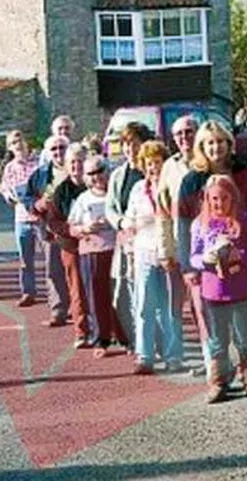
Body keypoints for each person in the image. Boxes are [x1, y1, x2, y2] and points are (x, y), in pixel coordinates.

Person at [174, 121, 247, 381]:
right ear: (201, 147)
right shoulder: (192, 181)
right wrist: (188, 266)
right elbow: (183, 225)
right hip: (205, 265)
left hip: (240, 260)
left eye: (220, 141)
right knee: (212, 323)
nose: (215, 147)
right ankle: (218, 377)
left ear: (228, 143)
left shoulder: (243, 171)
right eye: (209, 142)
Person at [191, 175, 247, 403]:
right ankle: (219, 382)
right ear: (207, 200)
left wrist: (237, 255)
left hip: (240, 290)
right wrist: (205, 259)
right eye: (213, 198)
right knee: (217, 341)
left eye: (224, 198)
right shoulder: (200, 224)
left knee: (244, 338)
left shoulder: (242, 220)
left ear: (233, 198)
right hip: (213, 291)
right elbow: (193, 256)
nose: (218, 203)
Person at [124, 140, 184, 374]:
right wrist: (130, 224)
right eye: (148, 164)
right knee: (144, 305)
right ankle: (145, 355)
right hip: (144, 251)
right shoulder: (138, 189)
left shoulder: (172, 185)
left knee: (170, 308)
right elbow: (129, 217)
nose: (153, 168)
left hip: (170, 252)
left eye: (157, 163)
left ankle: (173, 355)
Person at [68, 155, 127, 357]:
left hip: (117, 251)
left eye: (100, 170)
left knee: (121, 297)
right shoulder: (83, 199)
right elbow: (71, 227)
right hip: (92, 253)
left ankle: (126, 338)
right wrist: (86, 228)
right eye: (91, 173)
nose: (96, 177)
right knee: (96, 298)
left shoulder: (116, 194)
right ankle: (101, 340)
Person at [157, 115, 202, 373]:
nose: (185, 138)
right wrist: (165, 250)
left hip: (204, 244)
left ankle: (212, 358)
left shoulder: (205, 161)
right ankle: (176, 355)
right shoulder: (169, 167)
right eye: (179, 134)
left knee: (203, 305)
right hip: (178, 244)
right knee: (175, 305)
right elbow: (162, 212)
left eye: (189, 131)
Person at [106, 123, 154, 353]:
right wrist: (122, 223)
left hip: (149, 240)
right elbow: (110, 208)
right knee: (123, 292)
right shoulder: (117, 175)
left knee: (149, 293)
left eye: (134, 143)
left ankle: (153, 342)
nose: (130, 149)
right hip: (126, 240)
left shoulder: (152, 171)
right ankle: (133, 339)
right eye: (126, 144)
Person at [38, 144, 91, 348]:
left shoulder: (96, 183)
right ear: (67, 166)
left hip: (98, 245)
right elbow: (53, 222)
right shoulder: (61, 190)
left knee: (100, 287)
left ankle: (105, 330)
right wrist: (72, 231)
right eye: (73, 162)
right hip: (72, 247)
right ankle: (81, 332)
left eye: (80, 161)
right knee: (77, 289)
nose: (77, 166)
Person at [24, 135, 72, 325]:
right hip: (50, 228)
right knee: (53, 269)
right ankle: (59, 309)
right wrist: (36, 204)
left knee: (76, 269)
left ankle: (80, 308)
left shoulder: (76, 169)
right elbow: (26, 197)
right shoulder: (41, 173)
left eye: (62, 147)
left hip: (74, 227)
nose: (58, 152)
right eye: (54, 149)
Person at [2, 130, 43, 307]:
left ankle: (57, 293)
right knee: (26, 260)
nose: (17, 145)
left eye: (19, 140)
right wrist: (11, 196)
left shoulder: (39, 162)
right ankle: (28, 292)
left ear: (26, 142)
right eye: (13, 143)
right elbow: (5, 189)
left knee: (51, 258)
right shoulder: (9, 168)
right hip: (22, 218)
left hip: (41, 217)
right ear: (9, 148)